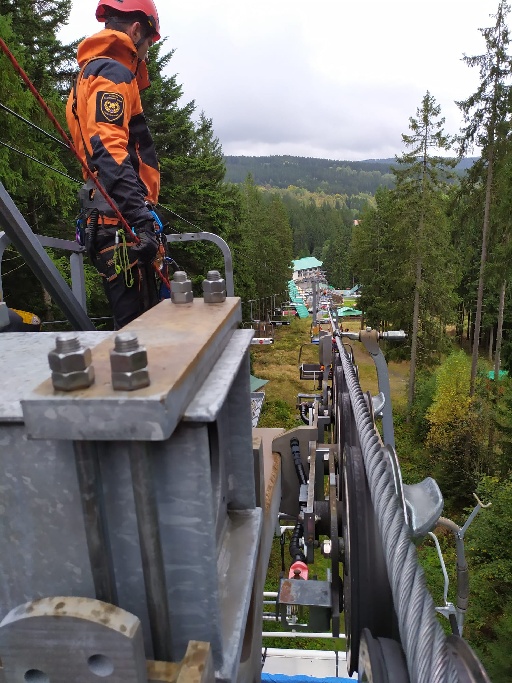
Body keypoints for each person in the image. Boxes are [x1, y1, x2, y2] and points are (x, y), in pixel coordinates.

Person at [66, 0, 163, 329]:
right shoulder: (114, 74)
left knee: (137, 323)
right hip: (118, 224)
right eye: (149, 42)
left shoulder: (88, 74)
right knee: (141, 329)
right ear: (137, 30)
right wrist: (141, 220)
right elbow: (108, 149)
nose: (147, 52)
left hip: (109, 219)